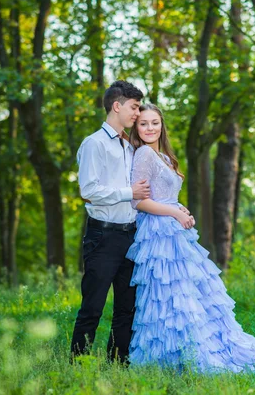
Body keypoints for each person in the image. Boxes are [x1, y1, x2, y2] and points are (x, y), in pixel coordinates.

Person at [126, 103, 255, 373]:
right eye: (144, 123)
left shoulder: (161, 155)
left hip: (173, 229)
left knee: (187, 293)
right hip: (159, 234)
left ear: (162, 125)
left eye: (155, 122)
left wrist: (179, 208)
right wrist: (174, 212)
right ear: (136, 128)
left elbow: (164, 194)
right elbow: (139, 203)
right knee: (167, 293)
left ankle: (189, 348)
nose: (150, 128)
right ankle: (170, 355)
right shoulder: (143, 155)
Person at [70, 81, 193, 364]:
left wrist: (174, 206)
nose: (137, 114)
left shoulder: (128, 145)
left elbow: (151, 187)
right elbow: (88, 191)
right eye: (134, 107)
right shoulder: (95, 144)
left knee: (127, 307)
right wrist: (130, 193)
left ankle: (118, 362)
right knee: (93, 305)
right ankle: (78, 364)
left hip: (131, 235)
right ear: (117, 106)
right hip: (103, 236)